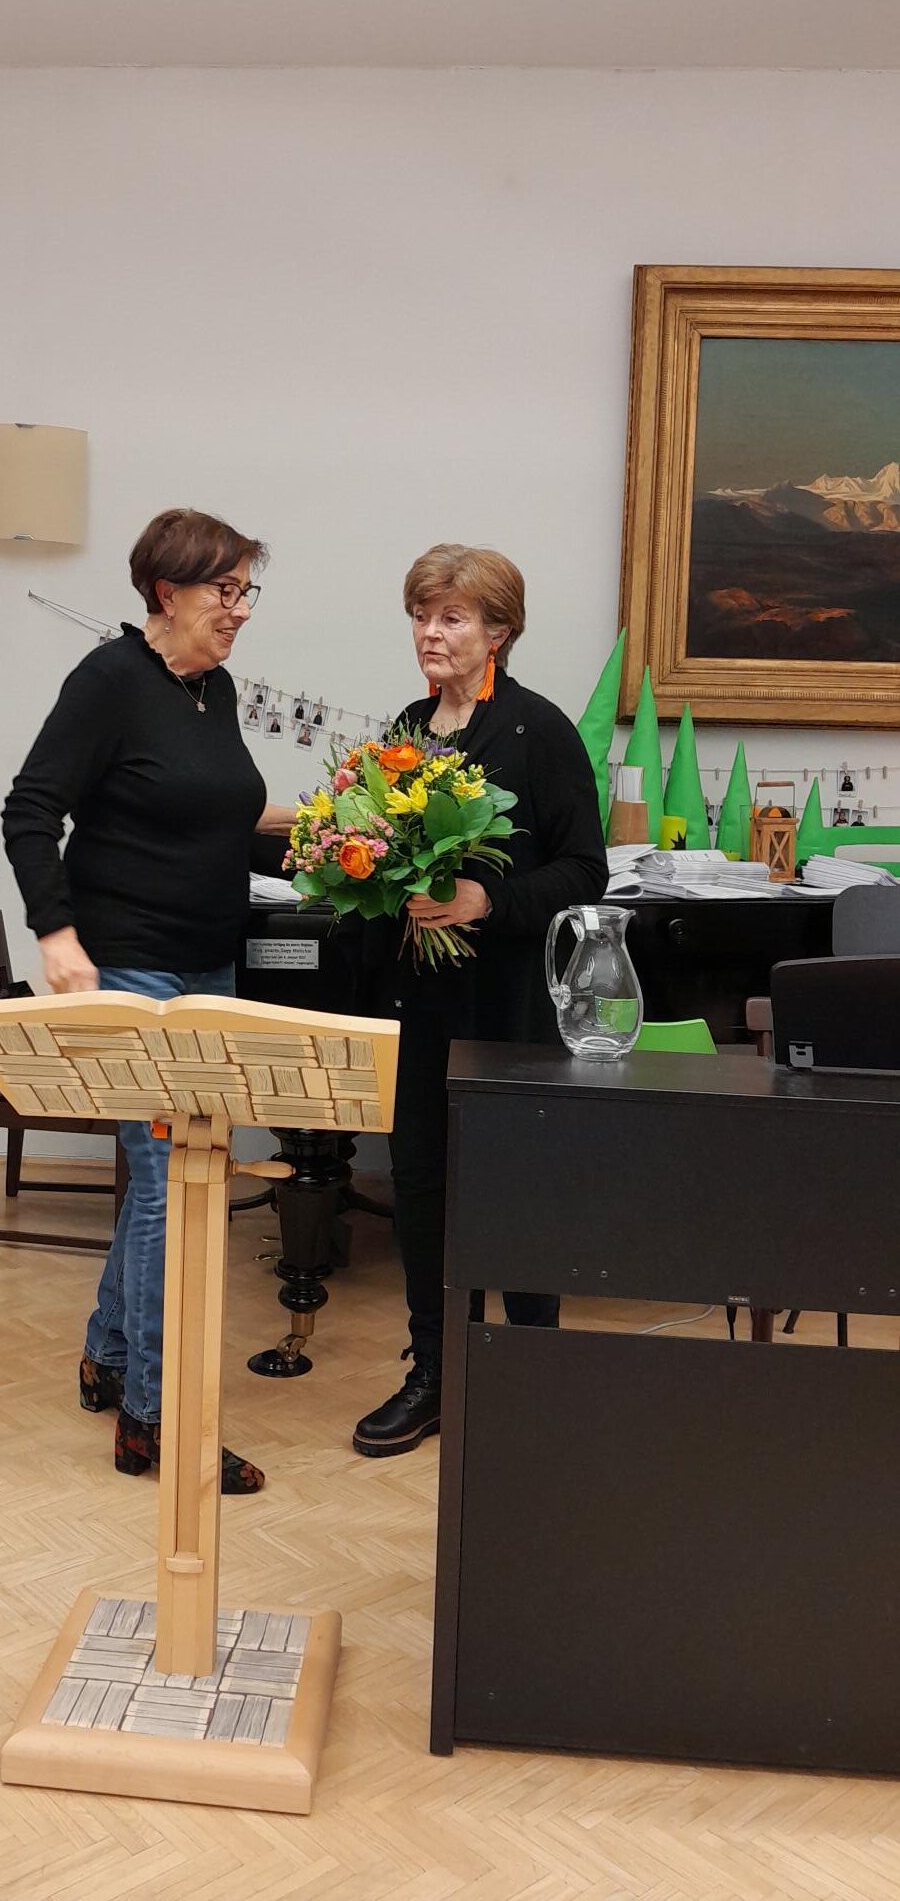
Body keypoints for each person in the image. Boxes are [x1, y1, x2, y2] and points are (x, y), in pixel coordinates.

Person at [3, 508, 294, 1491]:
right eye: (225, 590)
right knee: (173, 1190)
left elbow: (218, 821)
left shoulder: (213, 691)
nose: (240, 609)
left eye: (247, 591)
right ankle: (156, 1422)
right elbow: (30, 810)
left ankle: (108, 1354)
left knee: (165, 1182)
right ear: (167, 591)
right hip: (131, 968)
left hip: (209, 966)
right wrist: (57, 935)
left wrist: (332, 837)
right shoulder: (109, 681)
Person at [353, 544, 608, 1458]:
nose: (431, 632)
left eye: (452, 617)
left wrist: (484, 901)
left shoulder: (541, 731)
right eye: (422, 614)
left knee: (517, 1187)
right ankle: (435, 1372)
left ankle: (531, 1376)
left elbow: (585, 871)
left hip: (509, 1007)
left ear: (498, 631)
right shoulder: (407, 730)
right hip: (422, 1003)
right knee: (420, 1184)